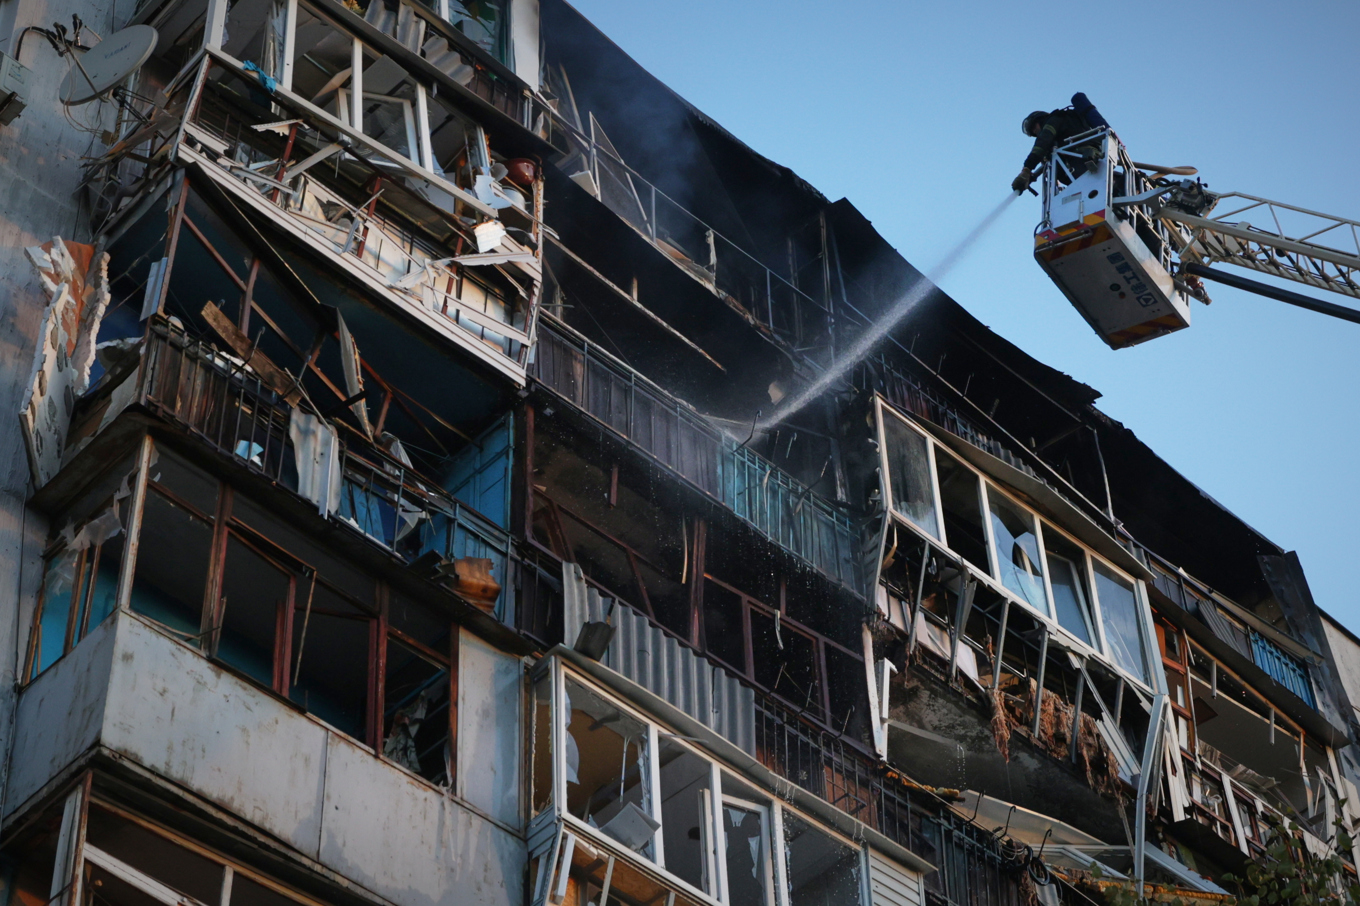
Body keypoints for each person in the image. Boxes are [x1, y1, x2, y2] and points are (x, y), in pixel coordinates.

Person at [1012, 93, 1109, 192]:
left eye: (1034, 128)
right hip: (1093, 157)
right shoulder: (1067, 122)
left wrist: (1027, 169)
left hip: (1080, 160)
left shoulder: (1053, 120)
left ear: (1040, 119)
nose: (1036, 133)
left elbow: (1042, 143)